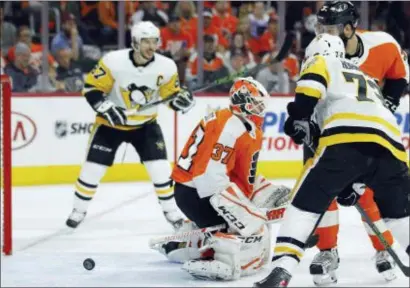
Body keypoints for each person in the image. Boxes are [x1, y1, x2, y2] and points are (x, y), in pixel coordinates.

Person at [254, 33, 409, 287]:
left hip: (345, 139)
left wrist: (298, 115)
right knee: (401, 216)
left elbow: (310, 88)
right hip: (391, 147)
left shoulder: (323, 62)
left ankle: (281, 269)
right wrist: (353, 184)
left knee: (302, 206)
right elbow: (364, 141)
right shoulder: (365, 78)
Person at [307, 1, 410, 284]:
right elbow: (312, 100)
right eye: (321, 28)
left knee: (371, 192)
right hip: (332, 131)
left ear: (350, 28)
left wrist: (390, 100)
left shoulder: (382, 44)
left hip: (370, 131)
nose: (324, 34)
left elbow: (399, 74)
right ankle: (327, 251)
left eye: (331, 28)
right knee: (321, 189)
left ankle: (383, 249)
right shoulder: (320, 54)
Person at [152, 77, 292, 281]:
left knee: (253, 226)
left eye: (262, 104)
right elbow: (207, 176)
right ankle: (224, 261)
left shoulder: (241, 124)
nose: (260, 109)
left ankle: (185, 244)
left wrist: (263, 190)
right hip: (196, 193)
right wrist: (244, 211)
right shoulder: (229, 125)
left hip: (199, 190)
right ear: (241, 101)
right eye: (256, 103)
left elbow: (236, 173)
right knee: (253, 230)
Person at [65, 21, 195, 231]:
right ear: (135, 42)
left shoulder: (167, 66)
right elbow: (91, 88)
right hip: (110, 125)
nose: (151, 47)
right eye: (146, 42)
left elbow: (169, 97)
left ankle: (171, 212)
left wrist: (179, 102)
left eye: (155, 42)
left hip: (146, 125)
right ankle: (78, 210)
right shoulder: (113, 61)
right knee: (92, 170)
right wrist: (105, 106)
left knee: (161, 170)